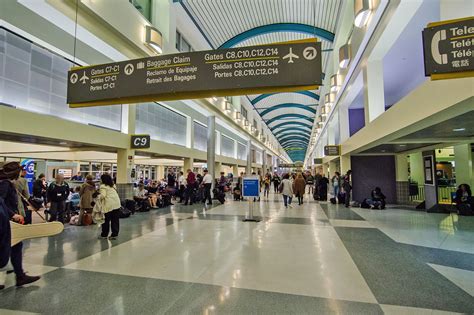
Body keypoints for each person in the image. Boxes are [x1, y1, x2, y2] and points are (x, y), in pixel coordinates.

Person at [0, 162, 40, 288]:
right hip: (6, 221)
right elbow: (1, 202)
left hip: (8, 220)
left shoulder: (6, 182)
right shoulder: (5, 184)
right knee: (9, 248)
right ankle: (20, 276)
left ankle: (20, 275)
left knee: (16, 246)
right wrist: (13, 214)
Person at [98, 174, 121, 240]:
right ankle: (114, 234)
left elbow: (102, 196)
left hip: (108, 205)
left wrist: (97, 196)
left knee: (105, 220)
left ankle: (104, 235)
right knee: (115, 220)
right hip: (116, 204)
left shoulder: (103, 186)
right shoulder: (113, 185)